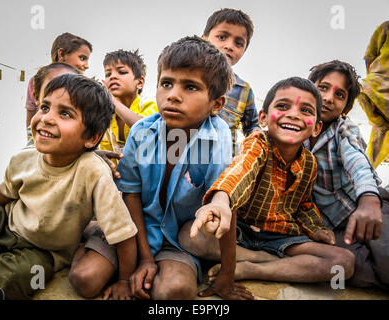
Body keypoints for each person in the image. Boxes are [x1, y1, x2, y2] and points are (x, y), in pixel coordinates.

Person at [181, 77, 355, 289]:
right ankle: (267, 260)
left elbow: (303, 204)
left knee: (344, 262)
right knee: (189, 237)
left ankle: (250, 269)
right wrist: (221, 201)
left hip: (280, 237)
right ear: (263, 117)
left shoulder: (310, 163)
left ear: (317, 127)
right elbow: (241, 171)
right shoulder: (258, 143)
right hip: (240, 232)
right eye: (283, 106)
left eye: (306, 111)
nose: (293, 114)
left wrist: (315, 228)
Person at [115, 35, 253, 300]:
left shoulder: (218, 136)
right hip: (135, 231)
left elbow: (224, 199)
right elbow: (130, 194)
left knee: (174, 292)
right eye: (166, 83)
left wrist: (227, 273)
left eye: (190, 87)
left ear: (216, 104)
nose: (173, 96)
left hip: (179, 241)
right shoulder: (143, 132)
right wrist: (143, 259)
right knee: (85, 278)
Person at [0, 74, 137, 300]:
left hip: (45, 252)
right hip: (6, 223)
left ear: (91, 138)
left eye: (65, 113)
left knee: (12, 278)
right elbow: (4, 192)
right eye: (45, 107)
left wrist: (125, 281)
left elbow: (123, 234)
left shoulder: (93, 172)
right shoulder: (24, 157)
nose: (47, 119)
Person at [307, 60, 389, 289]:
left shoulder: (343, 129)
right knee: (353, 270)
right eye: (322, 87)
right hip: (335, 225)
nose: (329, 97)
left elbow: (358, 162)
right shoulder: (293, 128)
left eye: (339, 94)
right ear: (308, 87)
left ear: (346, 108)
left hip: (370, 209)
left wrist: (369, 201)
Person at [202, 8, 260, 156]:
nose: (229, 46)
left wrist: (255, 139)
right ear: (204, 39)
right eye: (222, 37)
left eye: (238, 43)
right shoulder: (186, 77)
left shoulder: (243, 90)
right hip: (185, 157)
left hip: (225, 164)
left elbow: (252, 125)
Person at [25, 32, 92, 142]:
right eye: (82, 58)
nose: (86, 65)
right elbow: (30, 120)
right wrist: (33, 142)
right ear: (61, 54)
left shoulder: (84, 86)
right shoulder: (38, 80)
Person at [100, 49, 158, 166]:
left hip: (151, 176)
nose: (113, 77)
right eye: (108, 74)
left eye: (121, 72)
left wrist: (112, 101)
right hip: (122, 179)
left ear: (140, 83)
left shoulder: (147, 104)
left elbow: (144, 129)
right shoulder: (107, 116)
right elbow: (107, 154)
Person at [358, 21, 389, 168]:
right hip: (378, 83)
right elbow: (370, 56)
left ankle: (367, 176)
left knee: (378, 141)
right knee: (358, 89)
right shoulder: (386, 27)